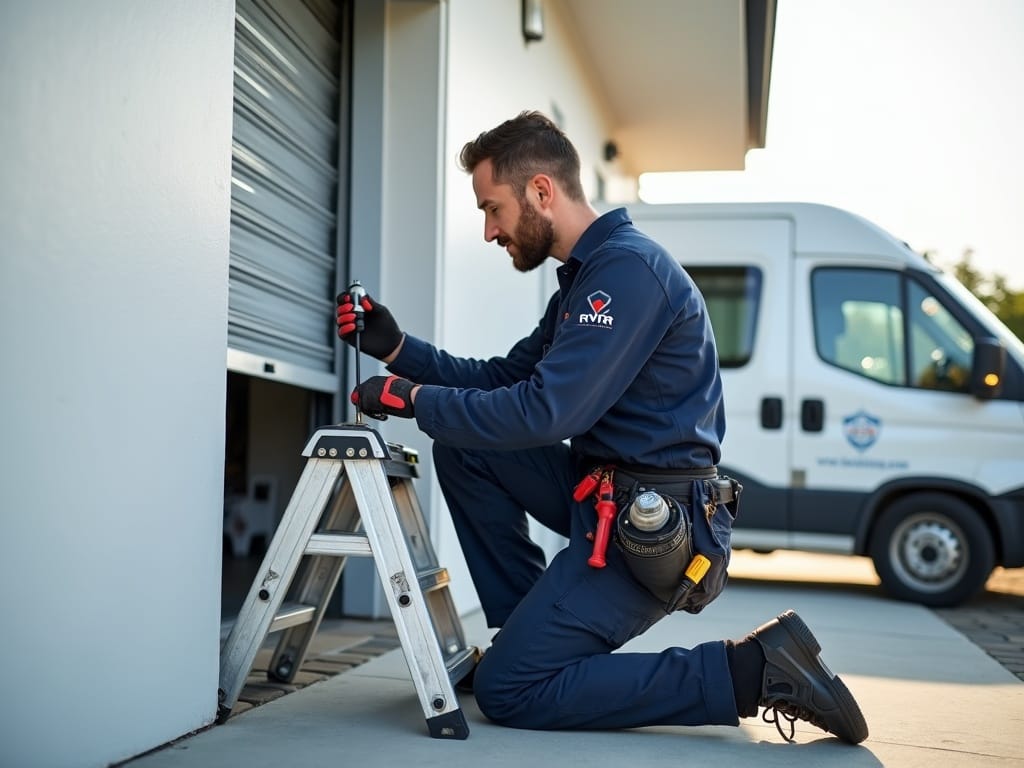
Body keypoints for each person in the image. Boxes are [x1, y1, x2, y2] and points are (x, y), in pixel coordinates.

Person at [336, 111, 868, 744]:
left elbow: (548, 413)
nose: (488, 231)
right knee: (467, 446)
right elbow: (506, 378)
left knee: (510, 691)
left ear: (540, 190)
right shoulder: (586, 282)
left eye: (493, 208)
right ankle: (527, 631)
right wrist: (399, 350)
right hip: (602, 495)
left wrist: (412, 398)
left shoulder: (625, 273)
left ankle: (753, 671)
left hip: (654, 524)